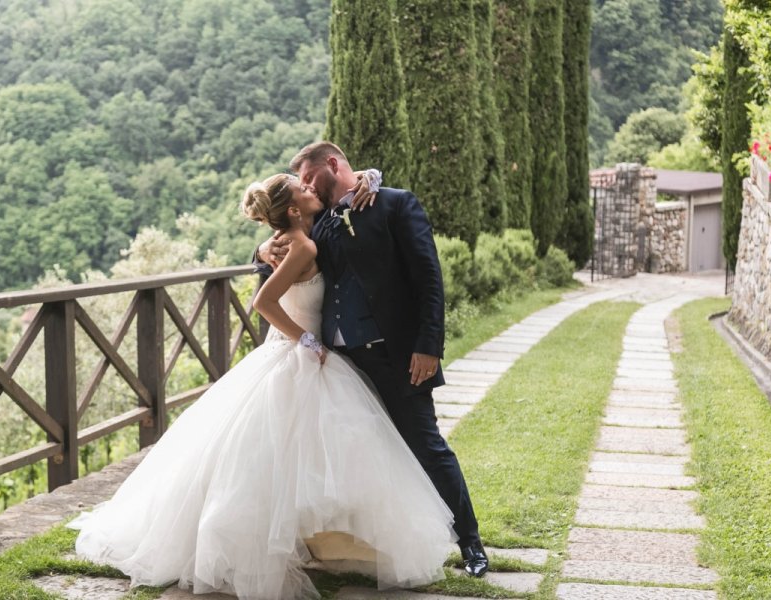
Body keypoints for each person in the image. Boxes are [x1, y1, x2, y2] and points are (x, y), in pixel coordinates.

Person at [69, 173, 457, 600]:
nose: (313, 191)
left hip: (310, 357)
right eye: (304, 190)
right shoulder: (303, 244)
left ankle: (310, 544)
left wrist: (370, 177)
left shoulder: (306, 234)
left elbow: (343, 197)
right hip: (296, 356)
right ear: (292, 210)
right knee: (274, 459)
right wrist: (307, 340)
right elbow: (263, 302)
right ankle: (261, 547)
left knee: (290, 459)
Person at [257, 141, 489, 577]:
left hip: (399, 356)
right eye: (301, 184)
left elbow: (429, 279)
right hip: (341, 364)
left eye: (308, 178)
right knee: (360, 458)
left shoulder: (396, 205)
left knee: (427, 447)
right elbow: (282, 260)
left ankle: (471, 543)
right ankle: (358, 551)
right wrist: (261, 252)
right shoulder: (321, 221)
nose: (305, 187)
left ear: (332, 164)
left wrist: (429, 347)